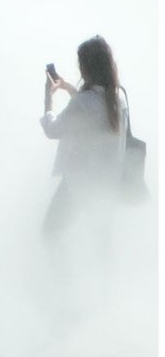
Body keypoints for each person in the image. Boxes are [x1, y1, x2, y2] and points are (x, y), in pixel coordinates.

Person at [40, 36, 126, 238]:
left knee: (50, 235)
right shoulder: (118, 97)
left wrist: (48, 96)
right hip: (107, 184)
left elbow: (52, 130)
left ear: (86, 67)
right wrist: (70, 89)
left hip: (78, 184)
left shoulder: (85, 103)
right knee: (99, 245)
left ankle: (63, 271)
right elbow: (92, 117)